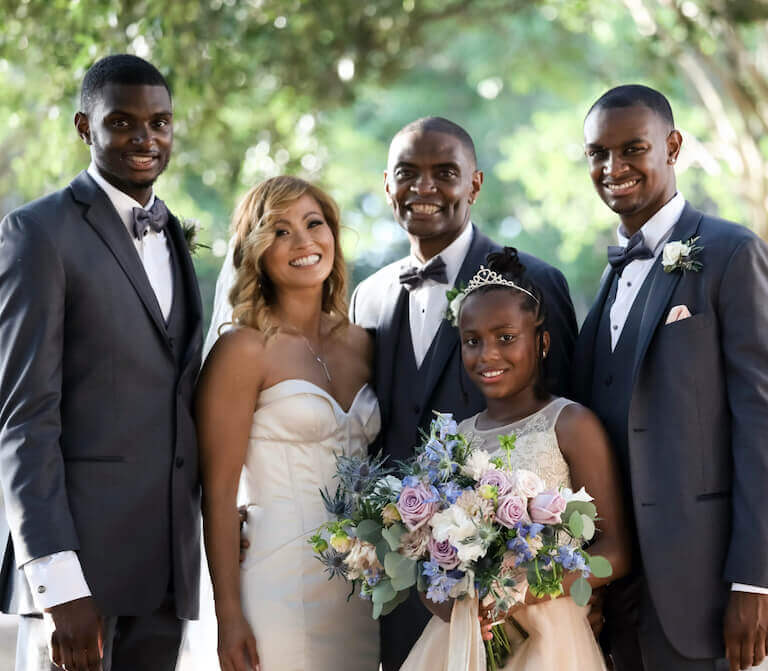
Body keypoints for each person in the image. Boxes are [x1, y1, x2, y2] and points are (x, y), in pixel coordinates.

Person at [349, 116, 579, 670]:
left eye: (444, 173)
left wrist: (576, 588)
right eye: (408, 173)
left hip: (517, 606)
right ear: (387, 184)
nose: (424, 188)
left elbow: (567, 426)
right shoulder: (369, 296)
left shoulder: (531, 281)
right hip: (406, 593)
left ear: (474, 184)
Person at [0, 54, 203, 671]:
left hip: (165, 573)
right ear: (84, 127)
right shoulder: (39, 233)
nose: (146, 139)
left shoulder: (173, 236)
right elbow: (24, 422)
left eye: (160, 122)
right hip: (79, 582)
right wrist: (59, 586)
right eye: (122, 122)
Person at [573, 84, 768, 671]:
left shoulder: (732, 253)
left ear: (673, 146)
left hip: (704, 583)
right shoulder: (606, 281)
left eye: (632, 148)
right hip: (619, 594)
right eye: (598, 154)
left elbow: (761, 423)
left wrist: (755, 581)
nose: (614, 168)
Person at [398, 247, 630, 671]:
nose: (487, 355)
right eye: (473, 341)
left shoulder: (570, 424)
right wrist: (456, 608)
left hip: (552, 638)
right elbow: (424, 562)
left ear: (541, 343)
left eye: (506, 338)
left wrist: (521, 593)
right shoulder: (454, 441)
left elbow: (617, 549)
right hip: (464, 639)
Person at [196, 176, 380, 671]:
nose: (303, 242)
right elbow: (217, 495)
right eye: (280, 231)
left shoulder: (363, 343)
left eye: (313, 223)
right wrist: (228, 616)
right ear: (256, 251)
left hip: (363, 589)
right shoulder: (242, 350)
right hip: (275, 585)